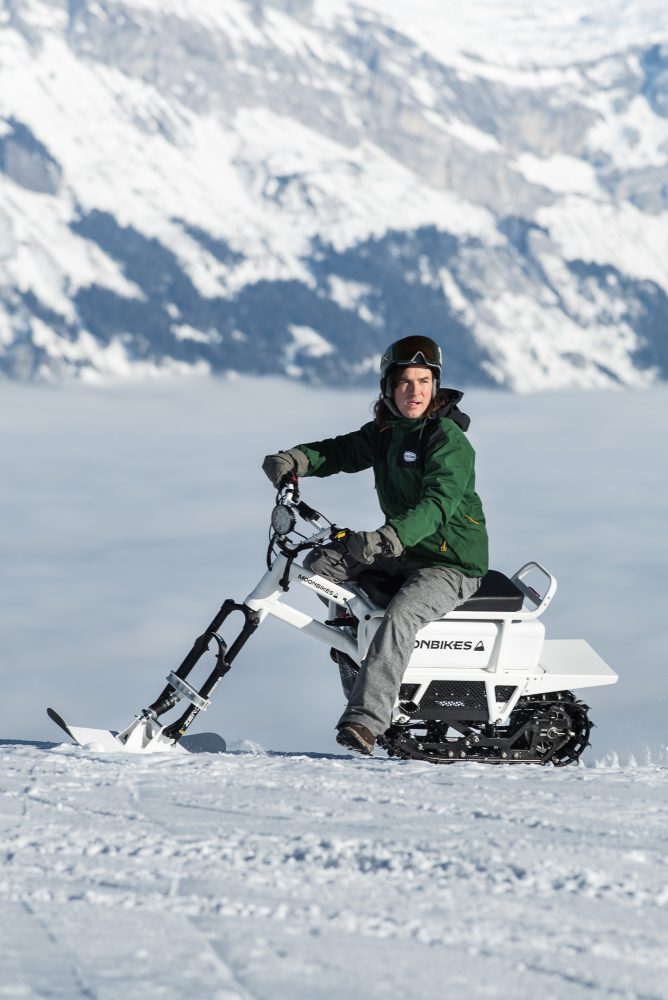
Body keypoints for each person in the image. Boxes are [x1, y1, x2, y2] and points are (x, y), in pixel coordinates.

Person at [262, 335, 488, 756]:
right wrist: (296, 460)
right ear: (388, 387)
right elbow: (341, 451)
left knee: (400, 616)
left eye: (424, 381)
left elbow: (436, 505)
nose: (415, 391)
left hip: (451, 564)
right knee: (320, 564)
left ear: (436, 386)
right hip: (404, 552)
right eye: (405, 382)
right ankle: (351, 648)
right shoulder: (388, 432)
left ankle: (367, 719)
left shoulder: (447, 440)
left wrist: (387, 540)